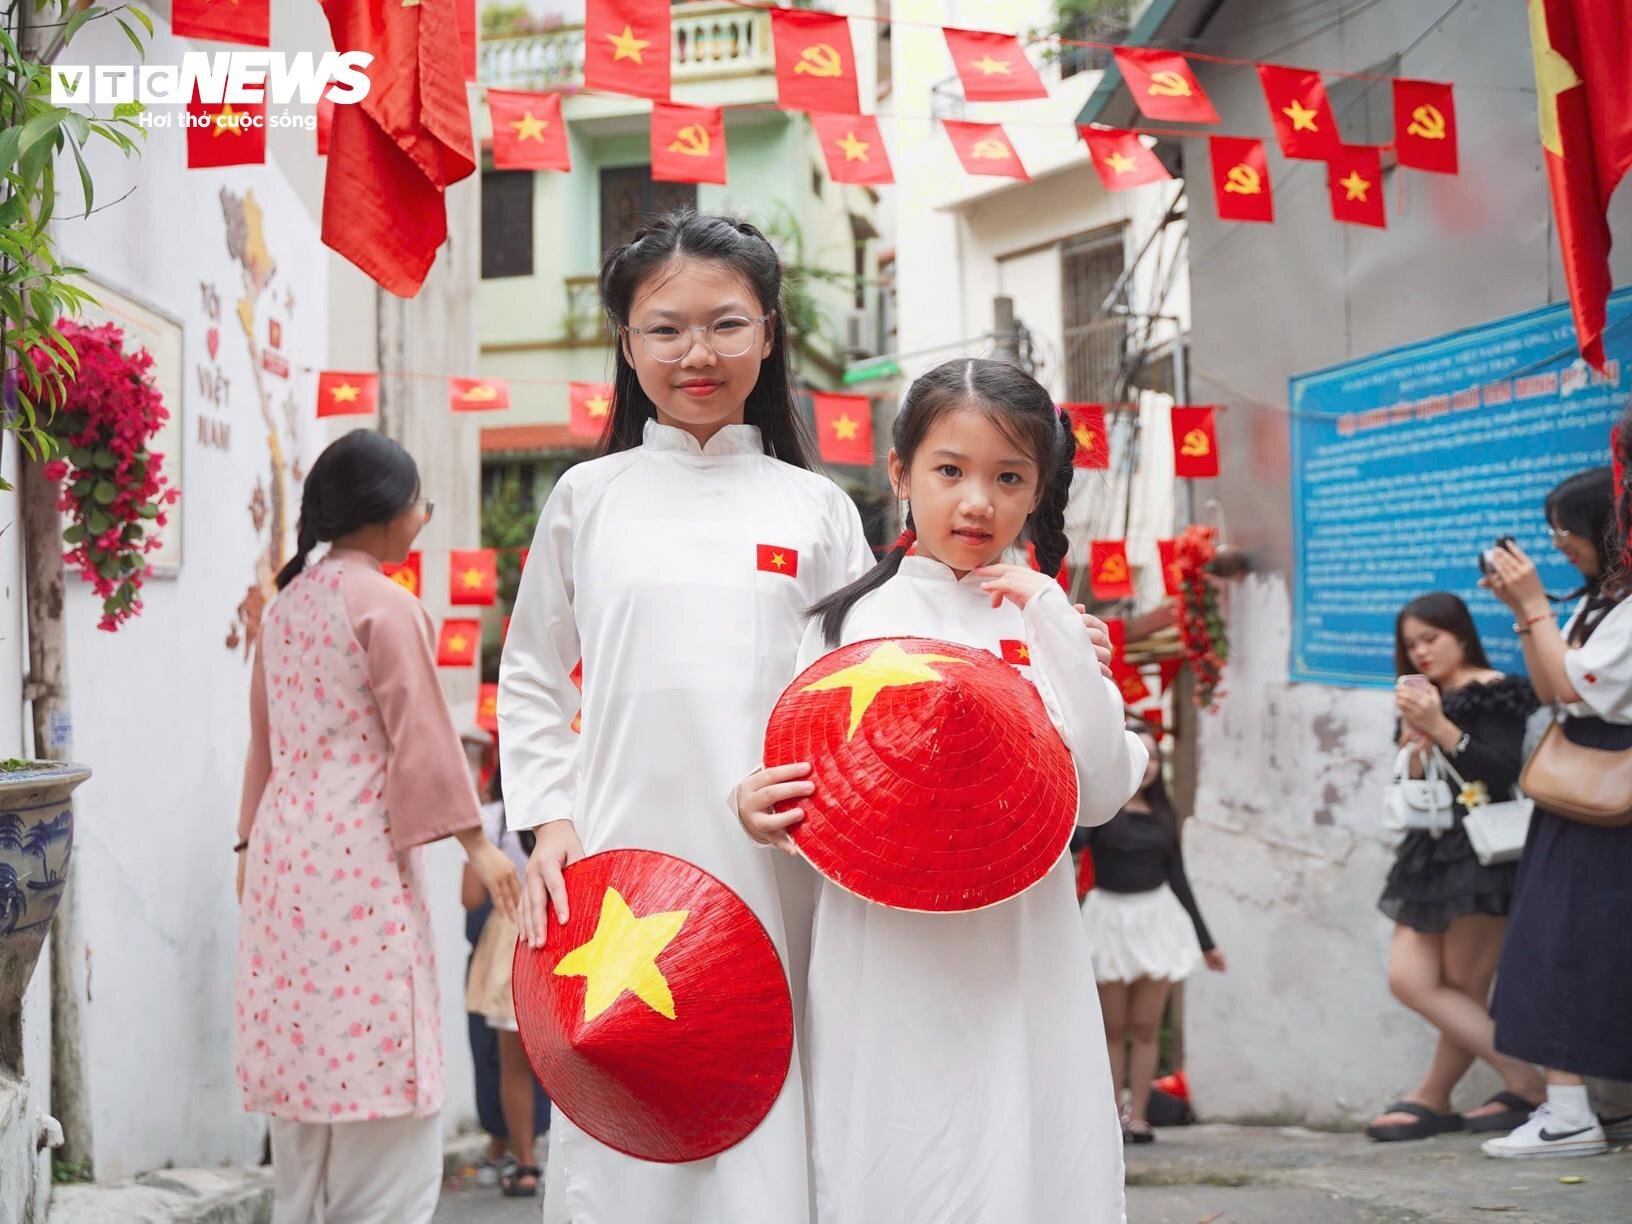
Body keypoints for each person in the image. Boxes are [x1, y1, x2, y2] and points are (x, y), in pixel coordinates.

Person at [498, 210, 875, 1224]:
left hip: (780, 867)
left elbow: (855, 690)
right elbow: (532, 673)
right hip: (620, 860)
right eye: (664, 329)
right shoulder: (588, 497)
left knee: (763, 1120)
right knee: (626, 1127)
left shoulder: (816, 508)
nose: (696, 354)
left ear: (769, 331)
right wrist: (551, 821)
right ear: (627, 345)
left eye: (725, 325)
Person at [737, 358, 1143, 1224]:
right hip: (883, 951)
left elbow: (1101, 794)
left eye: (1008, 478)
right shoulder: (841, 627)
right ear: (900, 474)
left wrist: (1058, 627)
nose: (976, 504)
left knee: (1024, 1145)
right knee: (893, 1154)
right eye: (949, 471)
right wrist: (754, 807)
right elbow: (798, 781)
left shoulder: (1046, 620)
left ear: (1038, 492)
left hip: (1022, 942)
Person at [235, 430, 522, 1224]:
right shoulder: (386, 607)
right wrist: (478, 846)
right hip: (356, 857)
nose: (425, 518)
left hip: (281, 854)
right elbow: (422, 735)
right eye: (421, 503)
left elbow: (264, 744)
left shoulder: (287, 606)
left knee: (306, 1061)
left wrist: (244, 847)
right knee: (380, 1065)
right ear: (390, 513)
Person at [1482, 452, 1632, 1159]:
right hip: (1583, 785)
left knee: (1568, 943)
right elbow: (1553, 687)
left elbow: (1574, 690)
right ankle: (1577, 1105)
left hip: (1609, 790)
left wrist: (1535, 604)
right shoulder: (1598, 601)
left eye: (1565, 529)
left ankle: (1571, 1114)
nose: (1555, 545)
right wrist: (1527, 612)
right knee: (1559, 939)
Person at [1363, 592, 1544, 1141]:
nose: (1419, 652)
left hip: (1483, 851)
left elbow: (1501, 771)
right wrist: (1416, 741)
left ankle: (1438, 1097)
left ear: (1460, 634)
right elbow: (1418, 782)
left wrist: (1442, 728)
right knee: (1411, 979)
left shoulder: (1497, 690)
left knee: (1462, 987)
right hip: (1429, 850)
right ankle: (1524, 1082)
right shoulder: (1426, 699)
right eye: (1410, 644)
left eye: (1430, 638)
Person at [1081, 722, 1226, 1145]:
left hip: (1157, 919)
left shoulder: (1165, 815)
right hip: (1108, 918)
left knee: (1146, 1028)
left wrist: (1207, 942)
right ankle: (1109, 1120)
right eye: (1137, 755)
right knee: (1112, 1028)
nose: (1146, 766)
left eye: (1153, 757)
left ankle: (1139, 1117)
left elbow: (1179, 878)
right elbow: (1076, 841)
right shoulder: (1102, 811)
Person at [461, 756, 545, 1197]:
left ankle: (526, 1162)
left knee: (512, 1064)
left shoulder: (491, 820)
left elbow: (469, 896)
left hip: (510, 942)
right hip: (562, 927)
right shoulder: (560, 808)